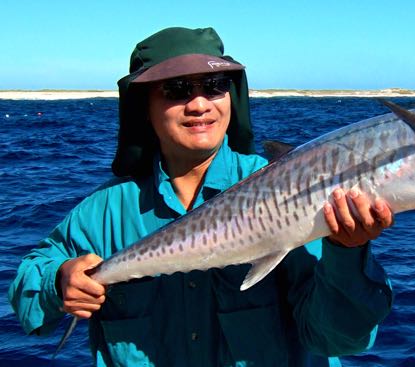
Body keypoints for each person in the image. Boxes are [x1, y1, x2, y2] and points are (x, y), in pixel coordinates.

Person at [8, 27, 394, 367]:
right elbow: (29, 303)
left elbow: (339, 339)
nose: (198, 103)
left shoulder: (293, 187)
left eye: (214, 86)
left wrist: (346, 252)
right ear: (144, 105)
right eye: (177, 89)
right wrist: (58, 283)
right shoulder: (105, 212)